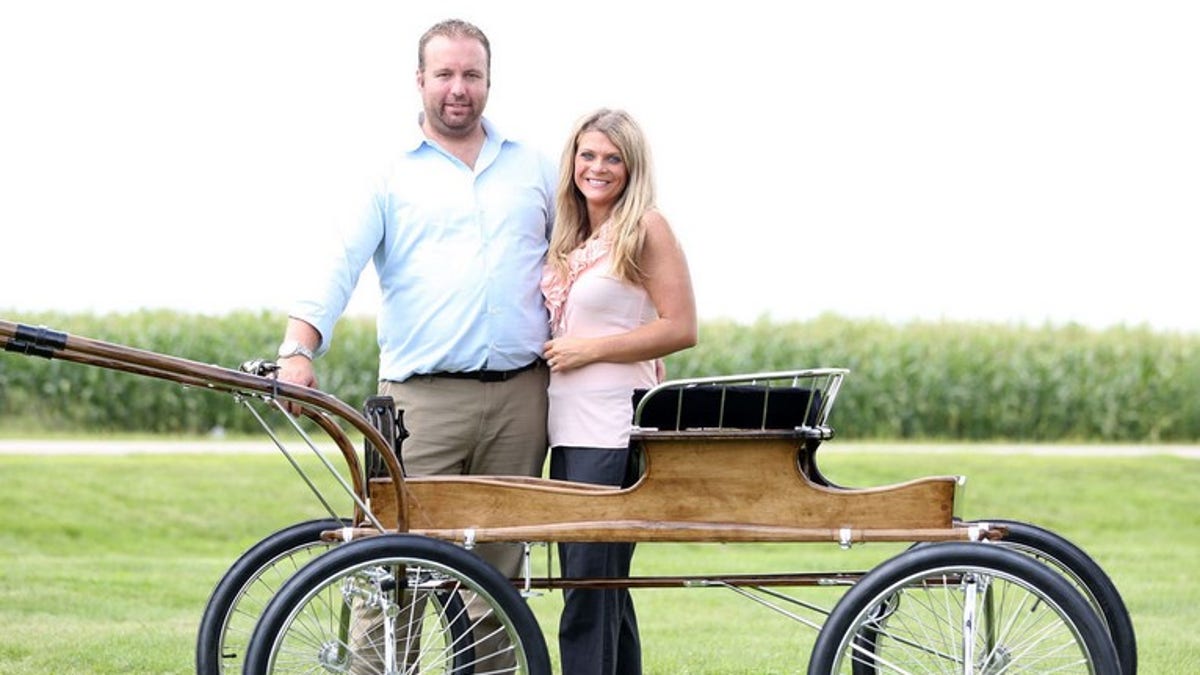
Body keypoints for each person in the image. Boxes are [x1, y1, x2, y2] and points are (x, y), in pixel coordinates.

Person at [273, 18, 555, 670]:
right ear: (420, 80)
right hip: (420, 404)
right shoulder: (388, 176)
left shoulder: (534, 168)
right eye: (446, 74)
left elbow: (584, 257)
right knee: (391, 572)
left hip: (520, 399)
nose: (459, 88)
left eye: (472, 75)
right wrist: (298, 348)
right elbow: (335, 265)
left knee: (497, 581)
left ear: (489, 80)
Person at [541, 108, 698, 675]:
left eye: (612, 158)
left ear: (632, 168)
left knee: (588, 589)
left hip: (611, 430)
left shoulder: (645, 227)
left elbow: (680, 326)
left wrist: (590, 350)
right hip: (567, 433)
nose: (598, 167)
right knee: (603, 589)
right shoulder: (574, 234)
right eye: (588, 155)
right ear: (572, 161)